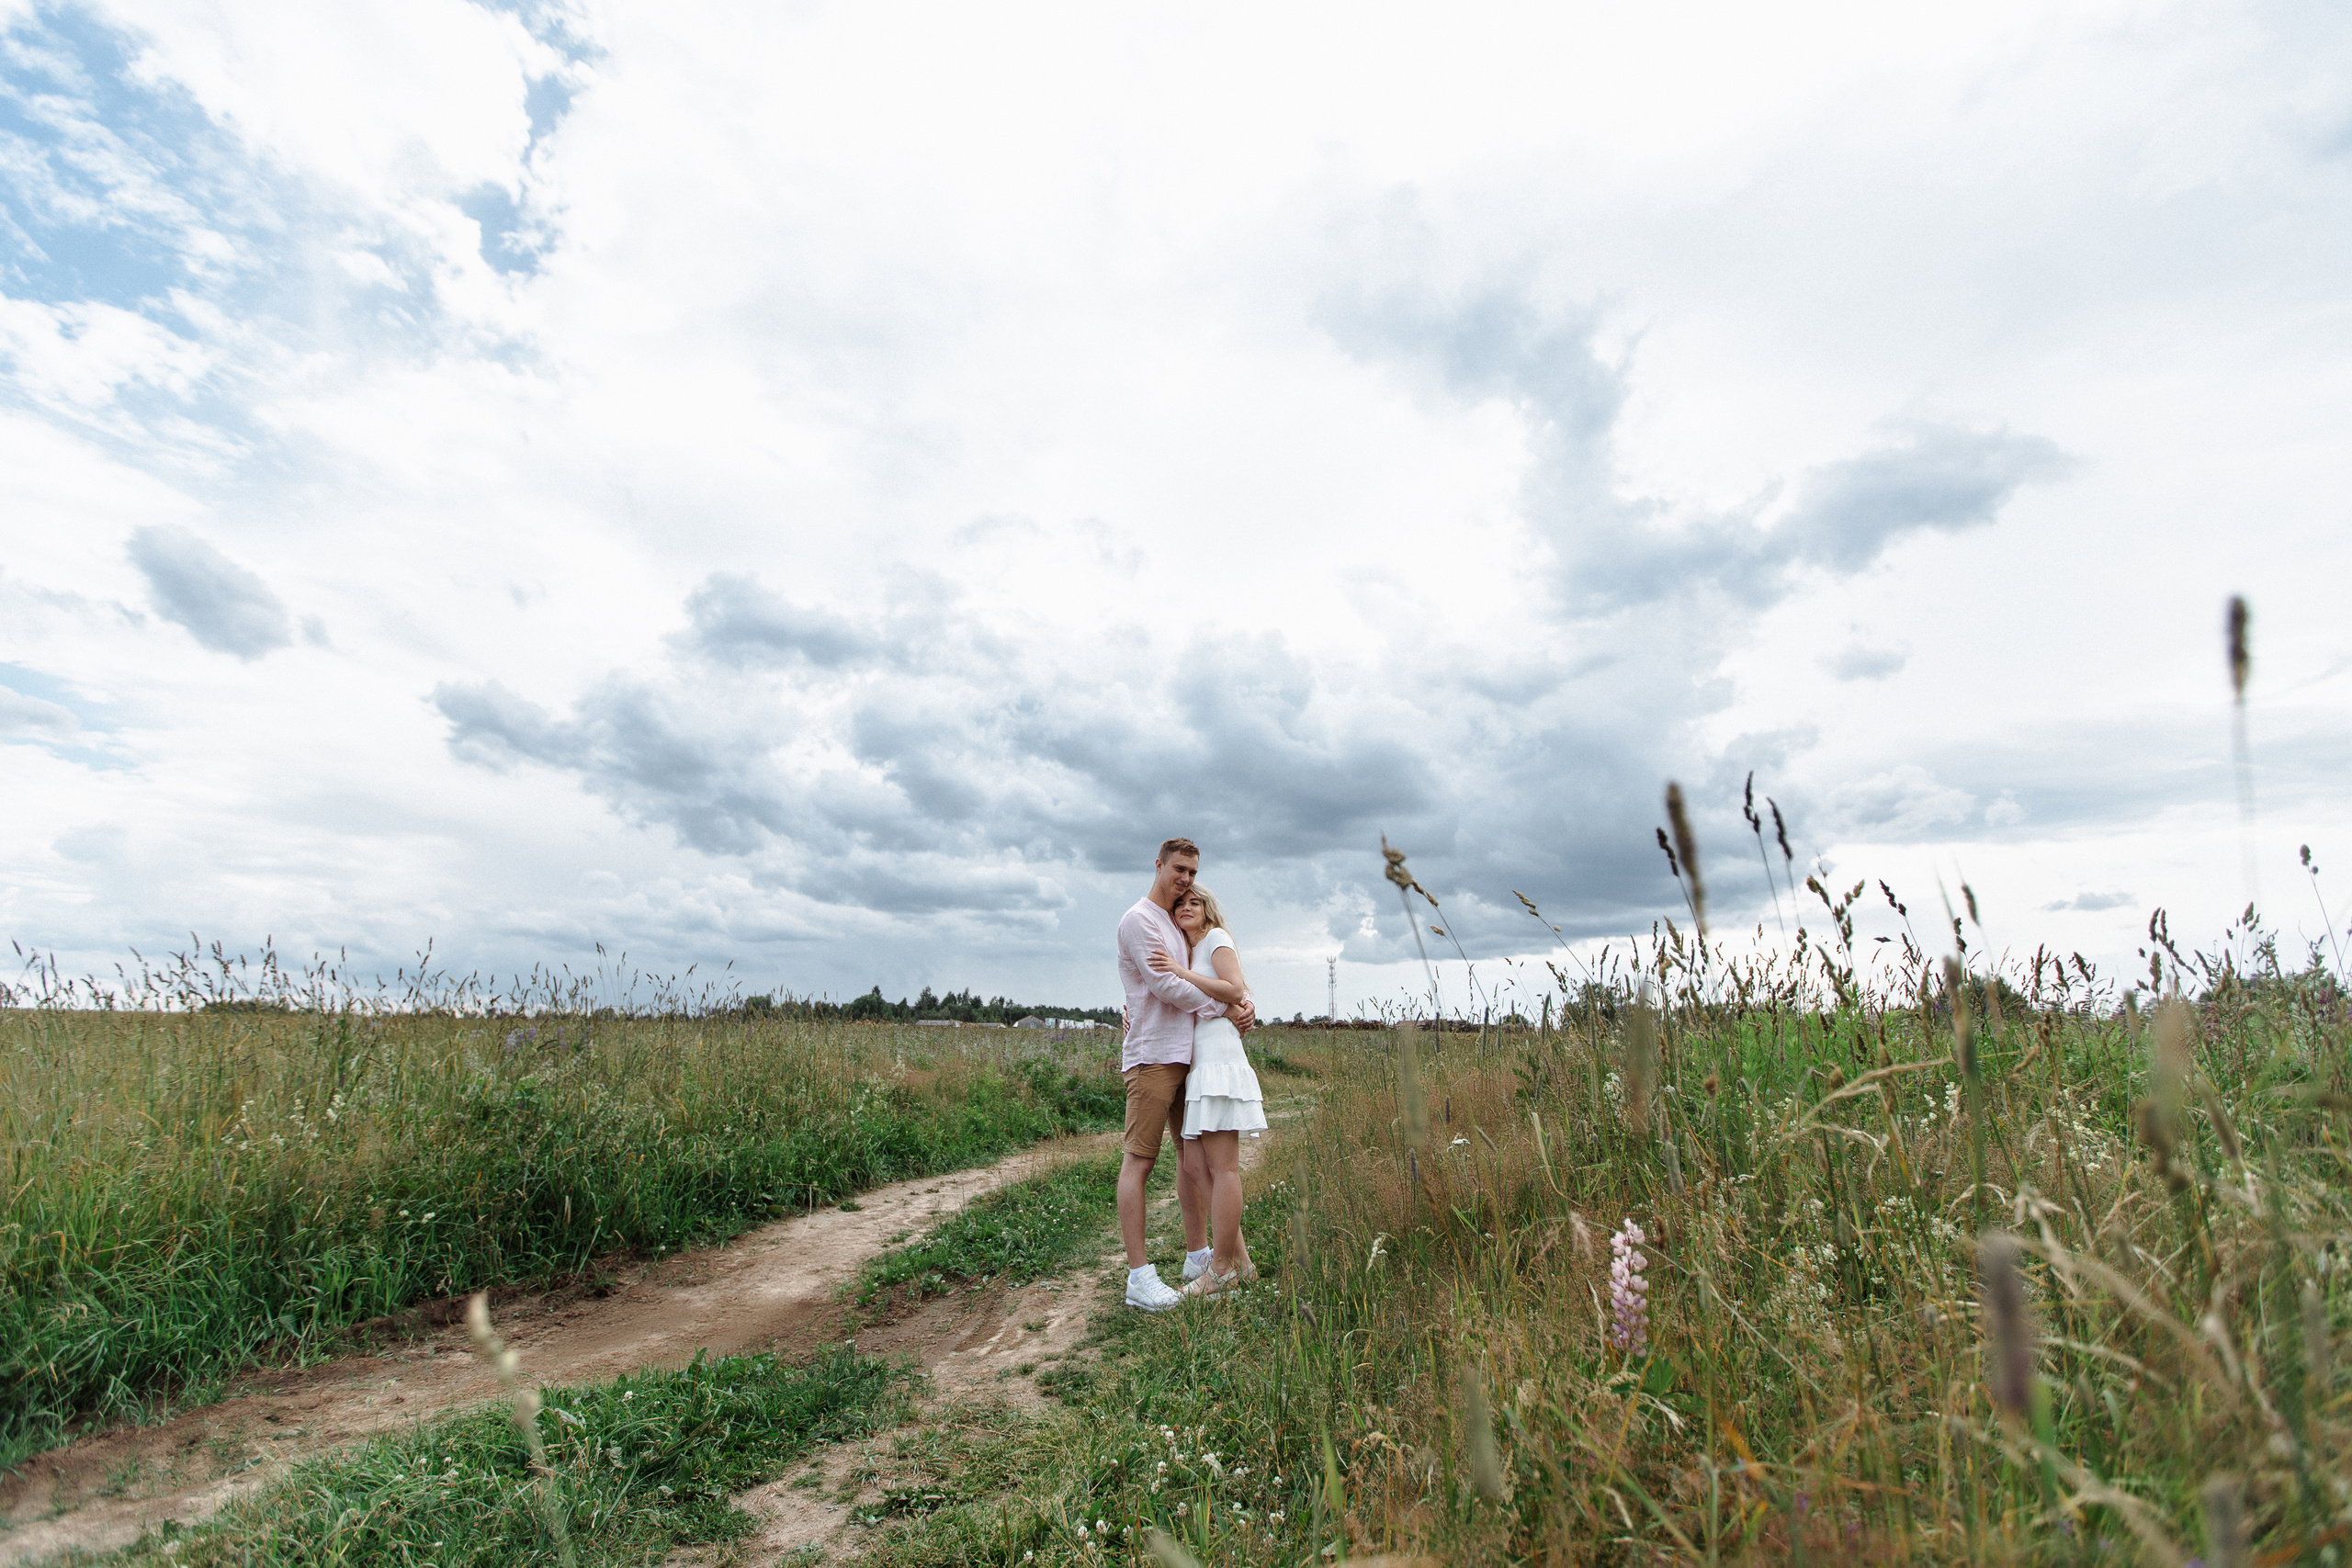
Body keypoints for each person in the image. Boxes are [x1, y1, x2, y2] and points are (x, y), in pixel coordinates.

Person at [1115, 838, 1257, 1311]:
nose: (1185, 880)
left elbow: (1210, 969)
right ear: (1158, 864)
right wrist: (1227, 1005)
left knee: (1191, 1162)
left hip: (1188, 1057)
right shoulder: (1139, 919)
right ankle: (1140, 1277)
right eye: (1179, 870)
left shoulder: (1179, 924)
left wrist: (1243, 1000)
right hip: (1153, 1056)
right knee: (1140, 1160)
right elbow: (1164, 984)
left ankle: (1203, 1255)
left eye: (1193, 873)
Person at [1148, 884, 1266, 1297]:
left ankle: (1221, 1269)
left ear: (1208, 909)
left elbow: (1235, 989)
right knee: (1197, 1166)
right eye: (1179, 903)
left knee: (1223, 1167)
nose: (1185, 908)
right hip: (1201, 1063)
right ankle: (1242, 1263)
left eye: (1194, 902)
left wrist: (1181, 973)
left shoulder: (1215, 939)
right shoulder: (1186, 949)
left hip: (1218, 1060)